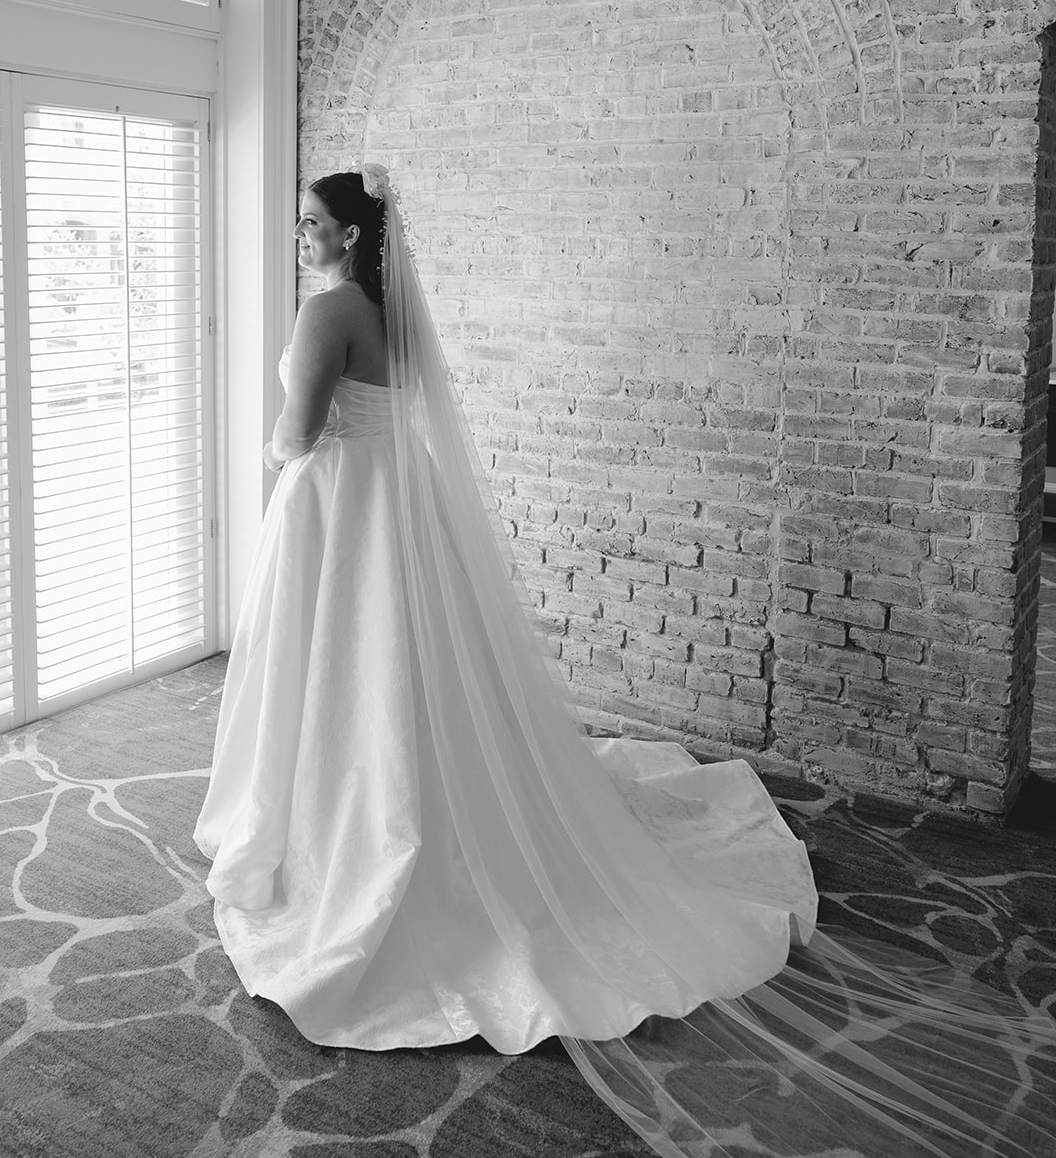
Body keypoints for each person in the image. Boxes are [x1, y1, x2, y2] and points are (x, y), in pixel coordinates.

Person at [195, 166, 1054, 1156]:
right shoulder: (388, 311)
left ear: (351, 234)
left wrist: (268, 451)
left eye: (312, 224)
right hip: (399, 504)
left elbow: (298, 434)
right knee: (409, 678)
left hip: (340, 513)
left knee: (351, 675)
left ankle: (354, 825)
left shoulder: (327, 312)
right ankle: (419, 797)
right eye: (300, 224)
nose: (300, 237)